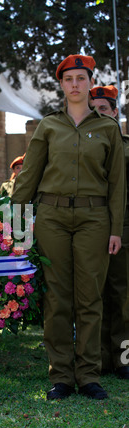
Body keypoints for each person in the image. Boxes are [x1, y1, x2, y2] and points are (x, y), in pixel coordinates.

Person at [12, 54, 125, 400]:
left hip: (94, 219)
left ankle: (89, 375)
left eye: (81, 78)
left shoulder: (108, 128)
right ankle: (61, 375)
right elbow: (28, 177)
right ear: (61, 84)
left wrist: (116, 229)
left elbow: (117, 184)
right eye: (69, 79)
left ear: (90, 83)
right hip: (52, 218)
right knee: (57, 297)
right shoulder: (48, 126)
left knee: (89, 298)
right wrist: (16, 226)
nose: (75, 84)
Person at [89, 85, 129, 380]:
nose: (98, 114)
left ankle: (124, 358)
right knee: (93, 296)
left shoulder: (126, 146)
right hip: (91, 226)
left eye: (103, 109)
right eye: (94, 109)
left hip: (124, 229)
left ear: (115, 112)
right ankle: (98, 359)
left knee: (123, 296)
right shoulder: (84, 144)